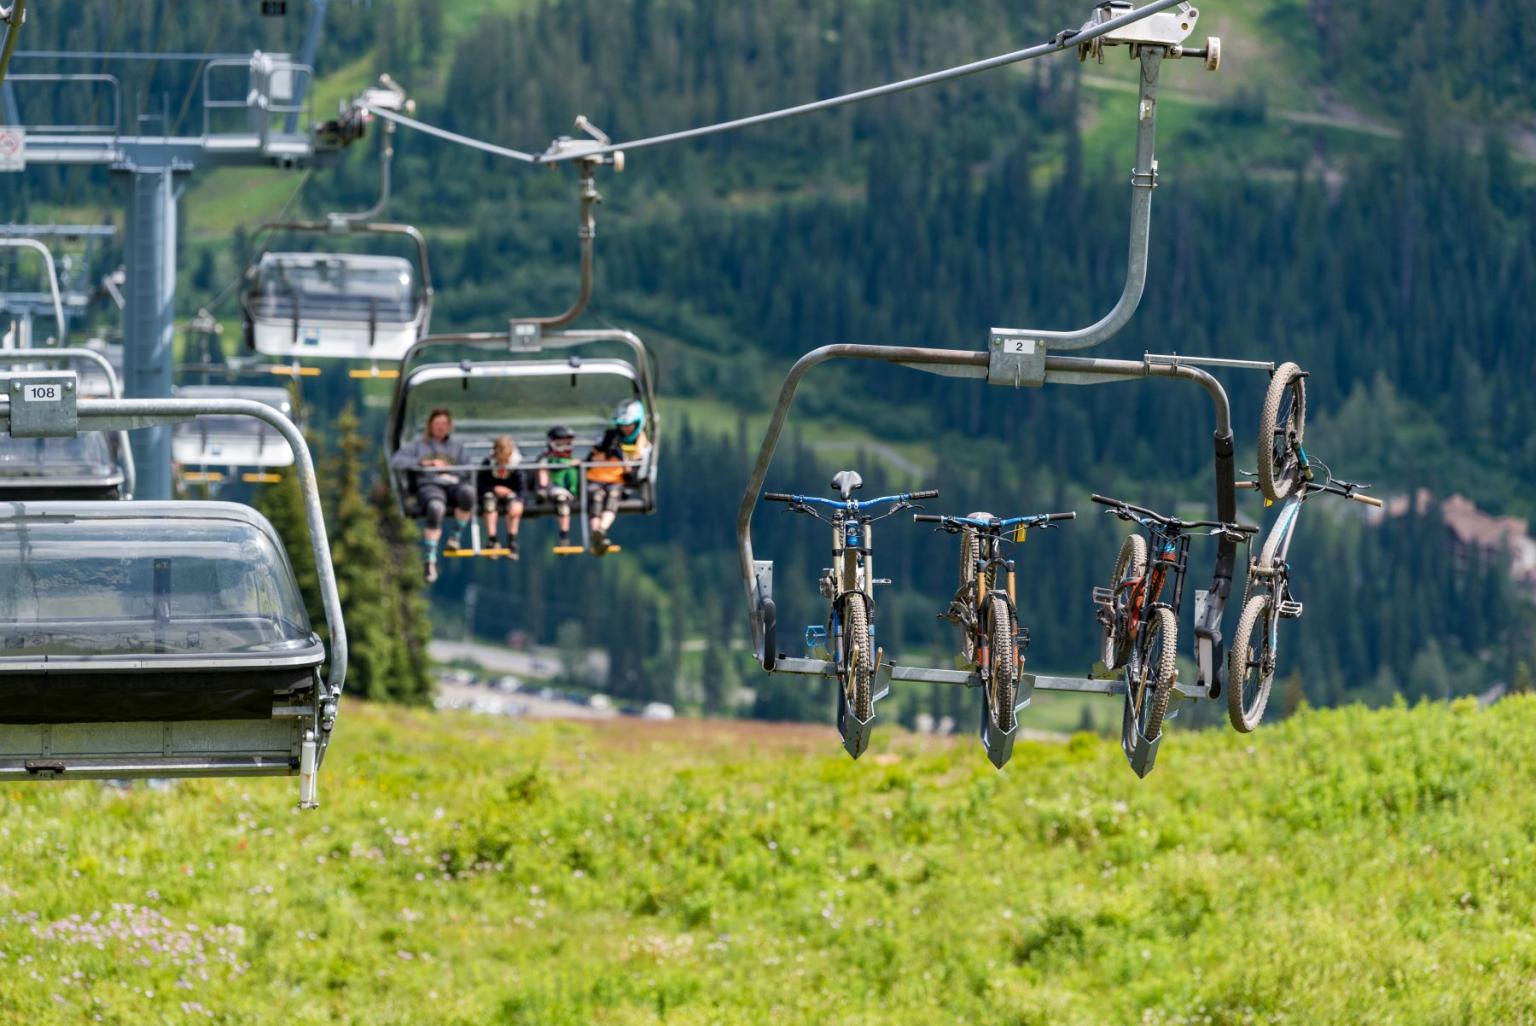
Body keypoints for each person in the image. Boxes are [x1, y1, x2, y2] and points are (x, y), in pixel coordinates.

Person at [389, 407, 474, 583]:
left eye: (444, 424)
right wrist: (423, 463)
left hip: (453, 484)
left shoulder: (457, 448)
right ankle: (430, 560)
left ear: (449, 426)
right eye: (437, 423)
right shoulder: (417, 446)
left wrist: (451, 471)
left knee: (468, 494)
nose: (441, 427)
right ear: (430, 425)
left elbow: (468, 469)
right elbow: (396, 461)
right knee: (436, 508)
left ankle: (455, 537)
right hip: (429, 485)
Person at [585, 399, 651, 556]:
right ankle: (595, 533)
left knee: (613, 498)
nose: (626, 429)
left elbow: (638, 477)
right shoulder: (608, 437)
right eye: (623, 425)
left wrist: (629, 471)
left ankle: (601, 530)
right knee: (596, 497)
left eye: (629, 425)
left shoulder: (643, 447)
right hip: (596, 478)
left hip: (618, 481)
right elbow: (590, 458)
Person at [477, 436, 528, 559]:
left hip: (511, 496)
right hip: (491, 494)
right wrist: (494, 489)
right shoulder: (488, 463)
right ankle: (492, 540)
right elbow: (480, 486)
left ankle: (512, 541)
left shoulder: (517, 465)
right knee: (489, 503)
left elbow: (523, 488)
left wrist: (520, 502)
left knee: (513, 506)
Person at [536, 425, 579, 549]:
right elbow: (544, 470)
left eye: (567, 442)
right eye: (561, 442)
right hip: (555, 491)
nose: (565, 445)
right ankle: (564, 538)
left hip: (573, 493)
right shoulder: (547, 458)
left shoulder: (573, 459)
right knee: (561, 502)